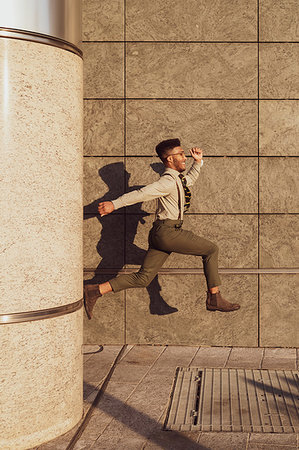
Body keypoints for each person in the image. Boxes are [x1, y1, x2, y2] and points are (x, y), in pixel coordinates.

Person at [84, 138, 240, 319]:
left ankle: (95, 290)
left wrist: (198, 162)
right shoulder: (166, 182)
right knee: (211, 249)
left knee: (143, 278)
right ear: (169, 160)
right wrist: (114, 204)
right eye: (181, 154)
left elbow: (188, 181)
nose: (184, 157)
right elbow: (140, 194)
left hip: (161, 234)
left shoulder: (177, 180)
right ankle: (214, 298)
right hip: (168, 232)